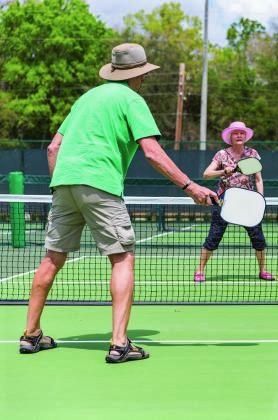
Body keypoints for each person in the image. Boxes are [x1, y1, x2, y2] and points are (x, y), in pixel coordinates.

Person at [18, 43, 217, 363]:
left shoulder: (85, 99)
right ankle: (120, 342)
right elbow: (151, 152)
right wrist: (189, 186)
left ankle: (31, 334)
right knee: (122, 259)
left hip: (63, 184)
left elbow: (53, 148)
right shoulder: (132, 100)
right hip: (100, 184)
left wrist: (59, 186)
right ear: (139, 75)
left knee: (52, 259)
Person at [194, 121, 275, 282]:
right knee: (214, 236)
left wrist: (261, 199)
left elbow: (258, 179)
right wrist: (224, 171)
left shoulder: (252, 153)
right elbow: (206, 174)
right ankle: (200, 271)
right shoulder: (222, 155)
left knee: (258, 238)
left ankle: (263, 270)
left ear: (245, 136)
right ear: (230, 137)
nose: (239, 135)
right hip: (225, 201)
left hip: (248, 201)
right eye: (235, 133)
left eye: (242, 133)